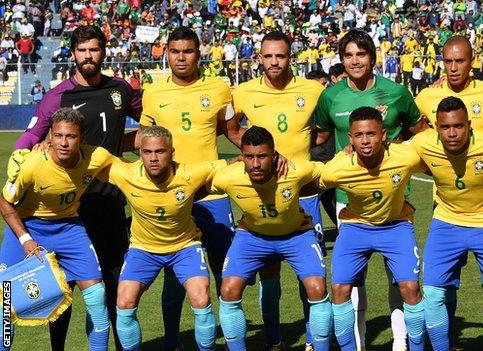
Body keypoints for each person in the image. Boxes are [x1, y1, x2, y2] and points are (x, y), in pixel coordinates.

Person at [11, 25, 142, 351]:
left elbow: (150, 124)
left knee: (112, 286)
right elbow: (32, 134)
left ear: (104, 52)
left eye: (94, 50)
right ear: (73, 54)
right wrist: (22, 153)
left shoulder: (121, 91)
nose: (88, 56)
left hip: (108, 203)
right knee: (62, 289)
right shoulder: (58, 96)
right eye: (82, 50)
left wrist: (131, 148)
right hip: (67, 210)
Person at [315, 29, 420, 351]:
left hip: (393, 192)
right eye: (348, 55)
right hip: (348, 199)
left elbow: (421, 132)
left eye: (361, 54)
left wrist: (397, 149)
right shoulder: (331, 96)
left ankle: (401, 341)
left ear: (373, 58)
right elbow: (318, 140)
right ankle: (357, 344)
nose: (355, 61)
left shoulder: (397, 92)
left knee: (399, 276)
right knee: (351, 280)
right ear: (341, 60)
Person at [225, 31, 326, 351]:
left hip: (304, 195)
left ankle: (312, 340)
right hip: (260, 193)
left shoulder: (312, 90)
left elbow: (323, 131)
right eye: (268, 56)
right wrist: (253, 153)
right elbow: (230, 128)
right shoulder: (242, 92)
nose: (274, 62)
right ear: (259, 58)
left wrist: (297, 163)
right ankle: (274, 341)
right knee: (269, 275)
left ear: (290, 57)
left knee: (309, 276)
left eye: (280, 56)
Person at [408, 96, 483, 351]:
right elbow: (390, 154)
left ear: (469, 125)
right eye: (445, 127)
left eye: (458, 126)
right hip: (446, 221)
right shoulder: (423, 143)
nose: (452, 133)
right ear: (435, 127)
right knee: (432, 296)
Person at [138, 26, 235, 350]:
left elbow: (233, 131)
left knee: (226, 272)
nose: (181, 57)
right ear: (166, 53)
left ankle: (233, 337)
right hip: (173, 198)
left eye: (188, 51)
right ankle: (171, 341)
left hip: (212, 196)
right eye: (175, 51)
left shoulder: (219, 89)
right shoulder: (153, 92)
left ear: (199, 53)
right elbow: (145, 142)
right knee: (173, 274)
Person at [98, 125, 227, 351]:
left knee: (201, 298)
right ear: (140, 154)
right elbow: (84, 160)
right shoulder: (126, 174)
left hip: (185, 247)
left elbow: (233, 164)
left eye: (160, 152)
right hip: (143, 249)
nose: (153, 158)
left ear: (172, 153)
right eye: (147, 152)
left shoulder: (190, 173)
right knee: (124, 302)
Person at [0, 108, 112, 350]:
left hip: (69, 228)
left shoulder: (97, 157)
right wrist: (25, 240)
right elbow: (4, 201)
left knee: (96, 296)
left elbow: (128, 171)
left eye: (70, 136)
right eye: (58, 135)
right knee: (4, 303)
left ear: (82, 136)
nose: (63, 142)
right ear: (50, 135)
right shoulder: (32, 164)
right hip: (27, 227)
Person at [215, 126, 332, 351]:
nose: (256, 164)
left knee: (317, 288)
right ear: (242, 157)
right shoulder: (228, 177)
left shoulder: (295, 170)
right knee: (228, 290)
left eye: (262, 156)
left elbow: (330, 171)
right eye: (249, 157)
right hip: (253, 236)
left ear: (274, 156)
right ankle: (273, 342)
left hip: (297, 234)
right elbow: (194, 183)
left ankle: (319, 345)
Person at [319, 106, 426, 351]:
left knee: (410, 288)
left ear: (384, 135)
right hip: (355, 227)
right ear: (350, 139)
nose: (365, 141)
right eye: (359, 135)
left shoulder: (405, 157)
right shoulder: (338, 166)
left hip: (396, 226)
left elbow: (434, 158)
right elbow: (314, 182)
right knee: (339, 290)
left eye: (371, 134)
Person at [416, 36, 483, 134]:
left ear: (471, 62)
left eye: (459, 61)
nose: (453, 68)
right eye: (448, 61)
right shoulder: (427, 95)